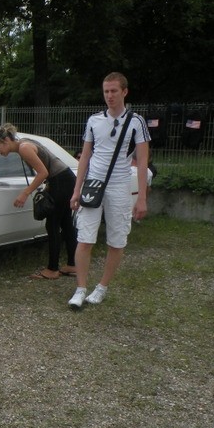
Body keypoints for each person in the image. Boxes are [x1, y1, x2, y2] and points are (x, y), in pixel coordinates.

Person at [68, 72, 150, 309]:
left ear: (124, 92)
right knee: (84, 238)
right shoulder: (94, 120)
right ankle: (80, 289)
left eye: (114, 91)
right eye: (106, 91)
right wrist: (76, 190)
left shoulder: (136, 122)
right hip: (93, 184)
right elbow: (85, 157)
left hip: (119, 185)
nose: (110, 96)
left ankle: (102, 287)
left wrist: (142, 198)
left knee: (117, 240)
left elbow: (142, 161)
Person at [0, 123, 77, 280]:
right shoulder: (25, 143)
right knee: (66, 223)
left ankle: (52, 269)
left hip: (60, 180)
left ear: (7, 140)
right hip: (65, 179)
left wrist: (25, 193)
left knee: (53, 224)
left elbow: (43, 173)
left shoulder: (24, 148)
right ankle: (72, 264)